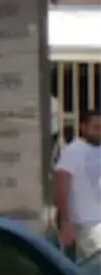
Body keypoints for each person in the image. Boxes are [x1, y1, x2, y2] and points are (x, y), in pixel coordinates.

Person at [54, 109, 101, 258]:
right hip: (86, 224)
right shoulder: (73, 151)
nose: (100, 131)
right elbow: (61, 188)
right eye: (96, 127)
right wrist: (65, 223)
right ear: (83, 127)